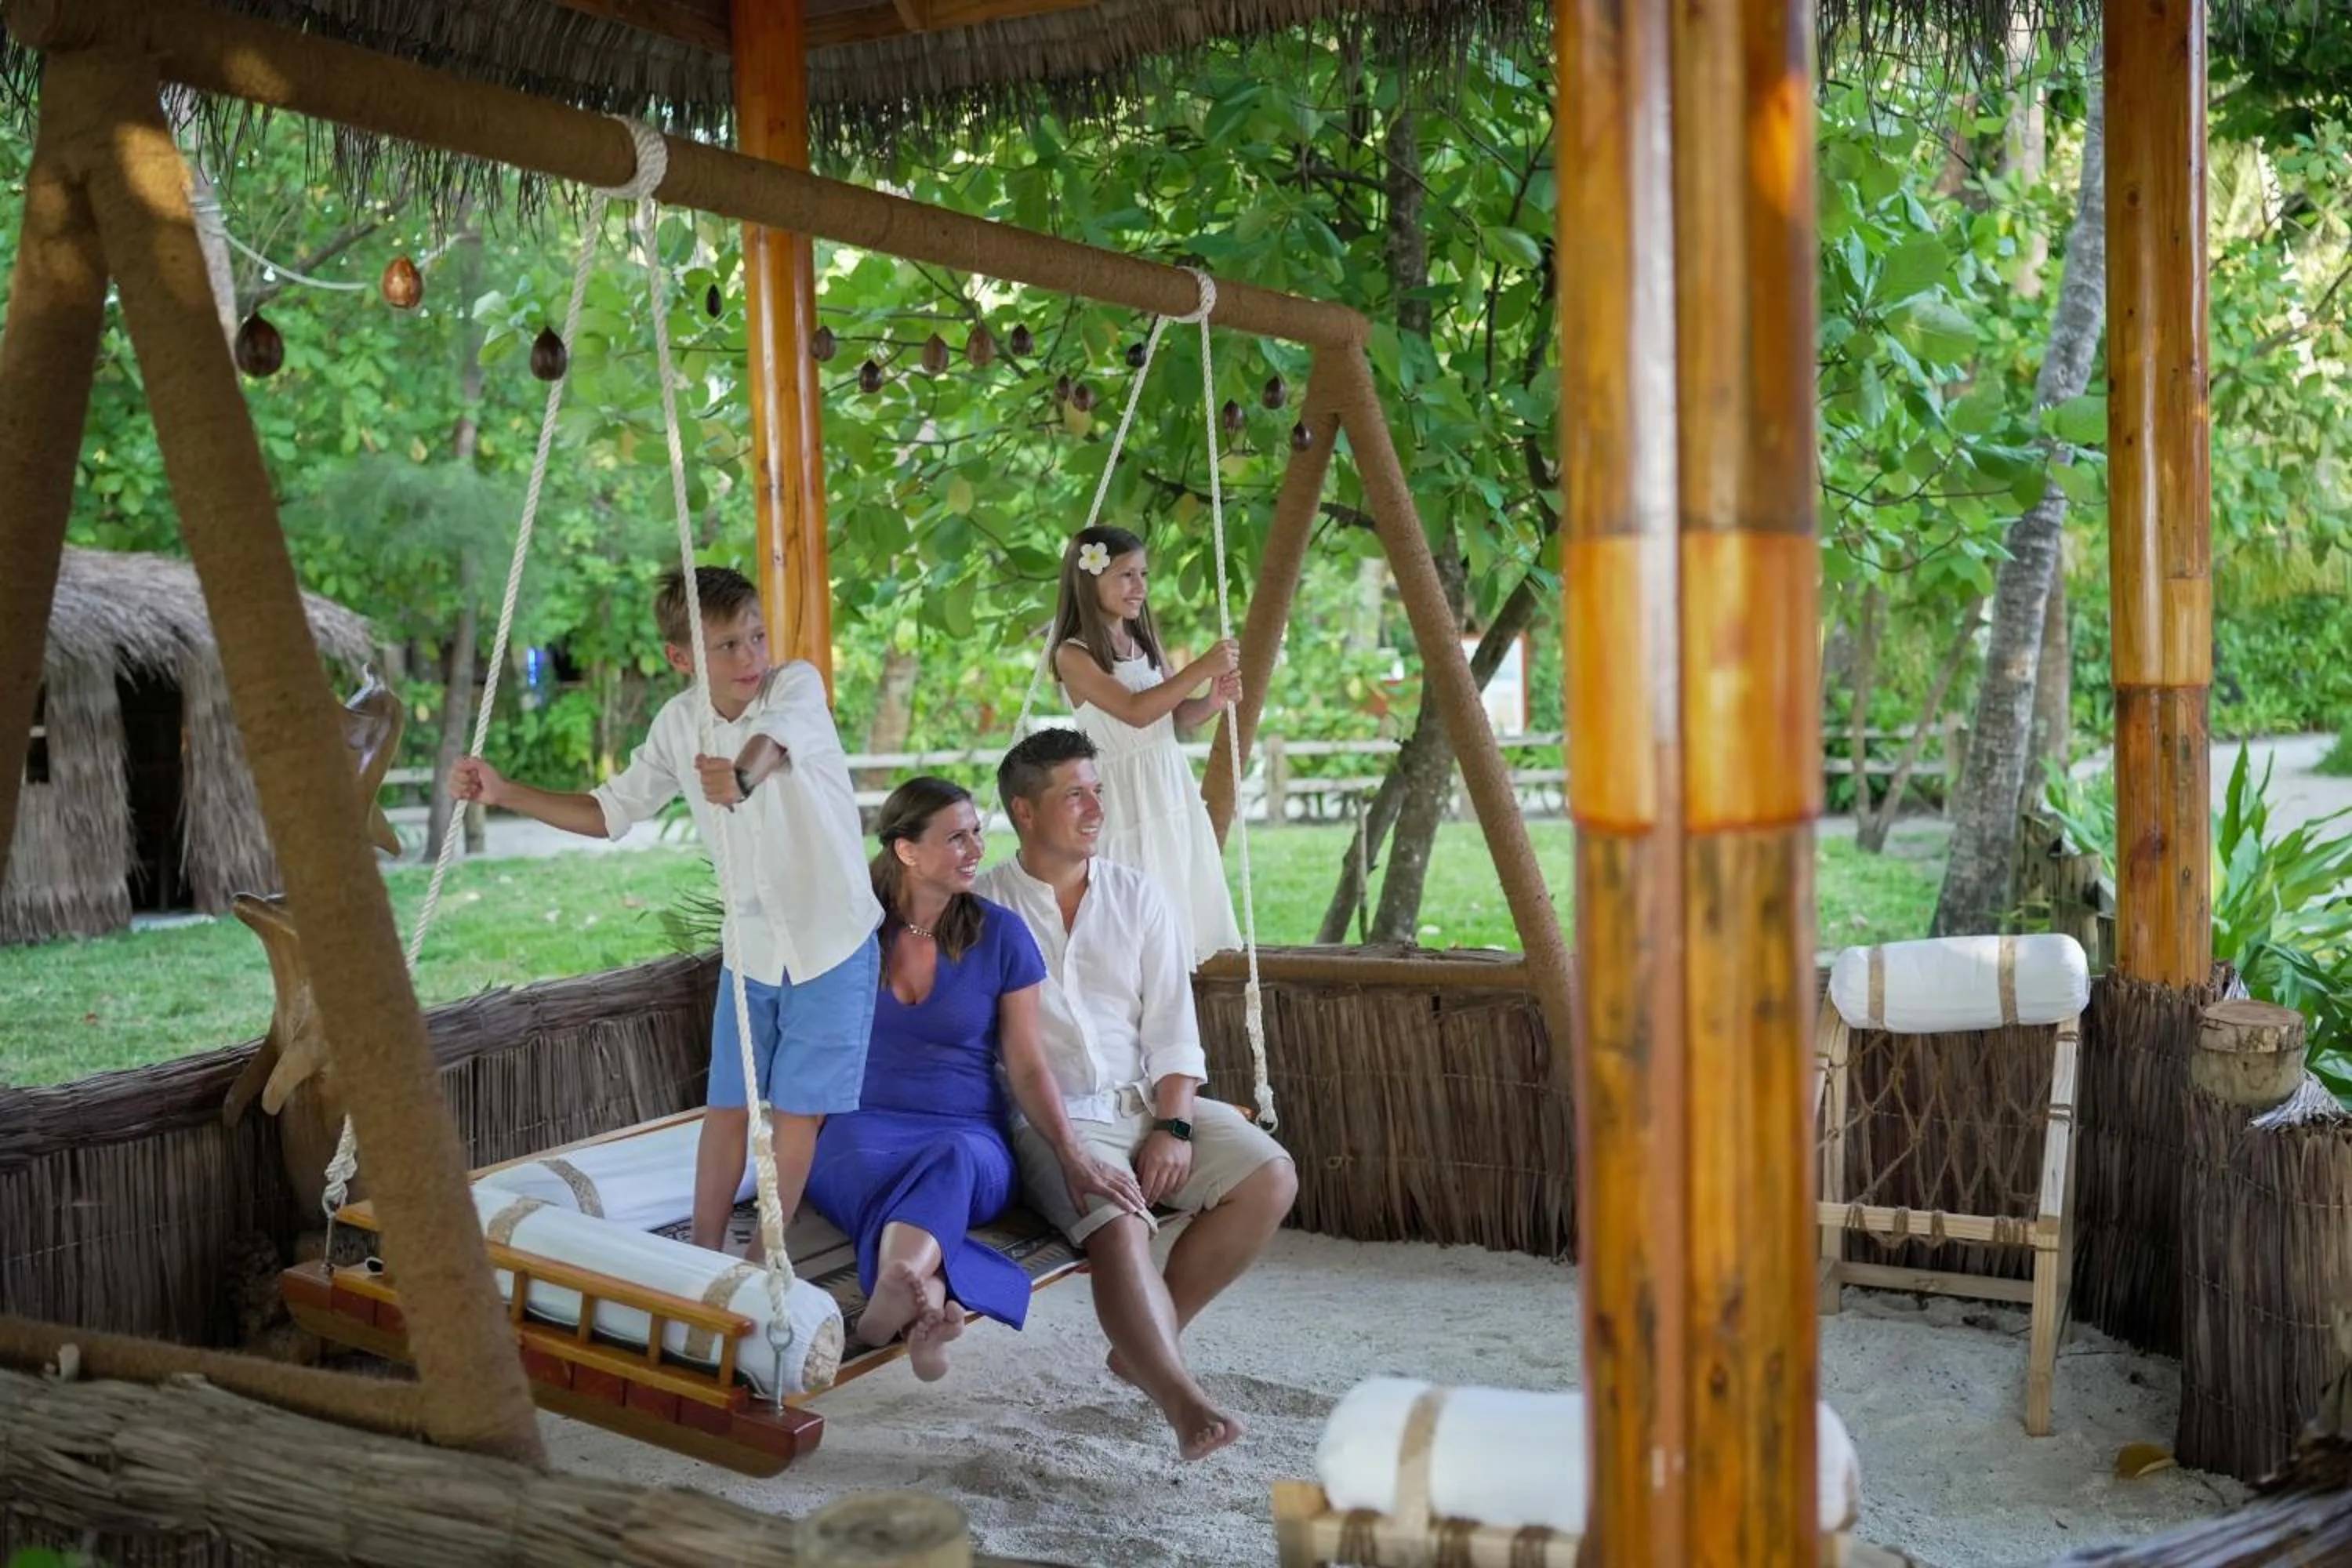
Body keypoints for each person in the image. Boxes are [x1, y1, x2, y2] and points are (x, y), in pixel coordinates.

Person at [451, 565, 880, 1257]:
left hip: (833, 942)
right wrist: (506, 792)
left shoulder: (795, 684)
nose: (750, 657)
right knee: (729, 1107)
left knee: (798, 1113)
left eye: (756, 636)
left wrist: (740, 775)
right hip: (753, 946)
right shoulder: (678, 724)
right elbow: (607, 812)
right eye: (727, 646)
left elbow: (770, 742)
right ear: (681, 658)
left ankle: (765, 1255)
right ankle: (705, 1252)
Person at [975, 727, 1298, 1461]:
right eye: (1074, 795)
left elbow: (1172, 1028)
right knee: (1122, 1219)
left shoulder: (1138, 896)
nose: (1095, 808)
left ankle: (1146, 1348)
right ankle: (1183, 1399)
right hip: (1055, 1119)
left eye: (1098, 790)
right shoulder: (983, 908)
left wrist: (1176, 1126)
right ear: (1025, 812)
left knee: (1270, 1175)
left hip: (1147, 1101)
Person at [805, 776, 1145, 1382]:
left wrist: (1071, 1154)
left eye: (976, 833)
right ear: (907, 851)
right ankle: (925, 1313)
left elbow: (1028, 1061)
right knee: (887, 1173)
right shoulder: (851, 932)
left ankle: (894, 1285)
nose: (975, 849)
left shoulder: (1001, 935)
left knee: (950, 1159)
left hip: (969, 1136)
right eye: (955, 837)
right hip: (862, 1131)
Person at [1046, 524, 1243, 969]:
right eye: (1126, 575)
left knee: (1180, 908)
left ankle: (1182, 1002)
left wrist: (1212, 700)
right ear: (1090, 578)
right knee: (1139, 920)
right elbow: (1134, 711)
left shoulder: (1144, 641)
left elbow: (1170, 718)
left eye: (1143, 574)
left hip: (1168, 784)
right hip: (1126, 794)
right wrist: (1199, 667)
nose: (1140, 588)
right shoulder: (1072, 655)